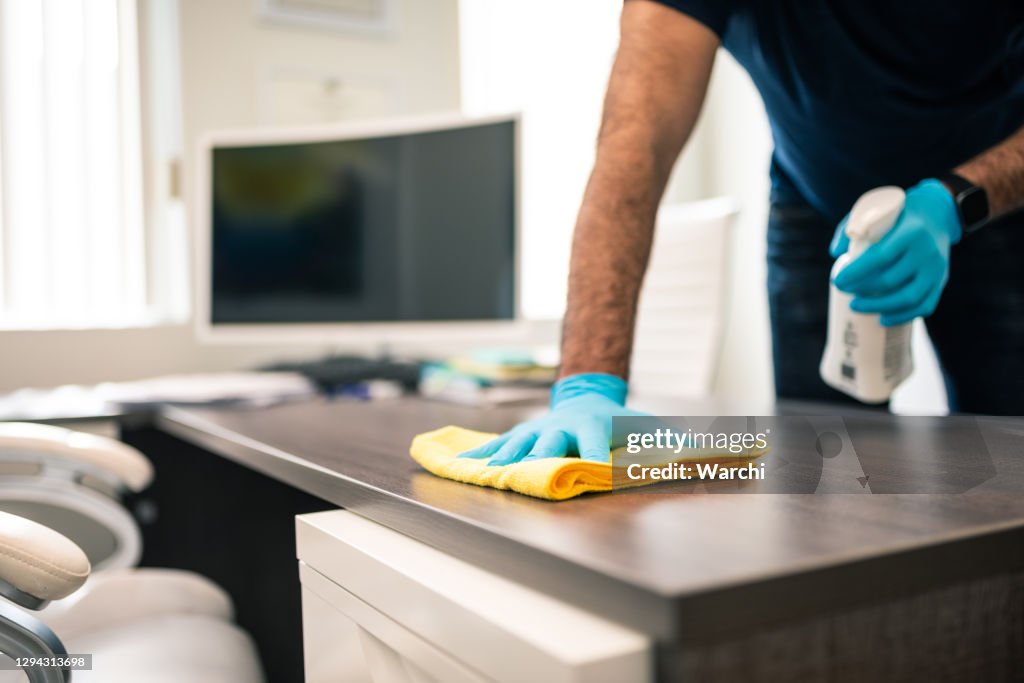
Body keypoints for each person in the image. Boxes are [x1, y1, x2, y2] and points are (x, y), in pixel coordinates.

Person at [461, 0, 1024, 465]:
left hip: (992, 195)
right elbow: (635, 144)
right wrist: (587, 382)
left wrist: (956, 201)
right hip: (814, 196)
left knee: (1006, 453)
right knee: (823, 466)